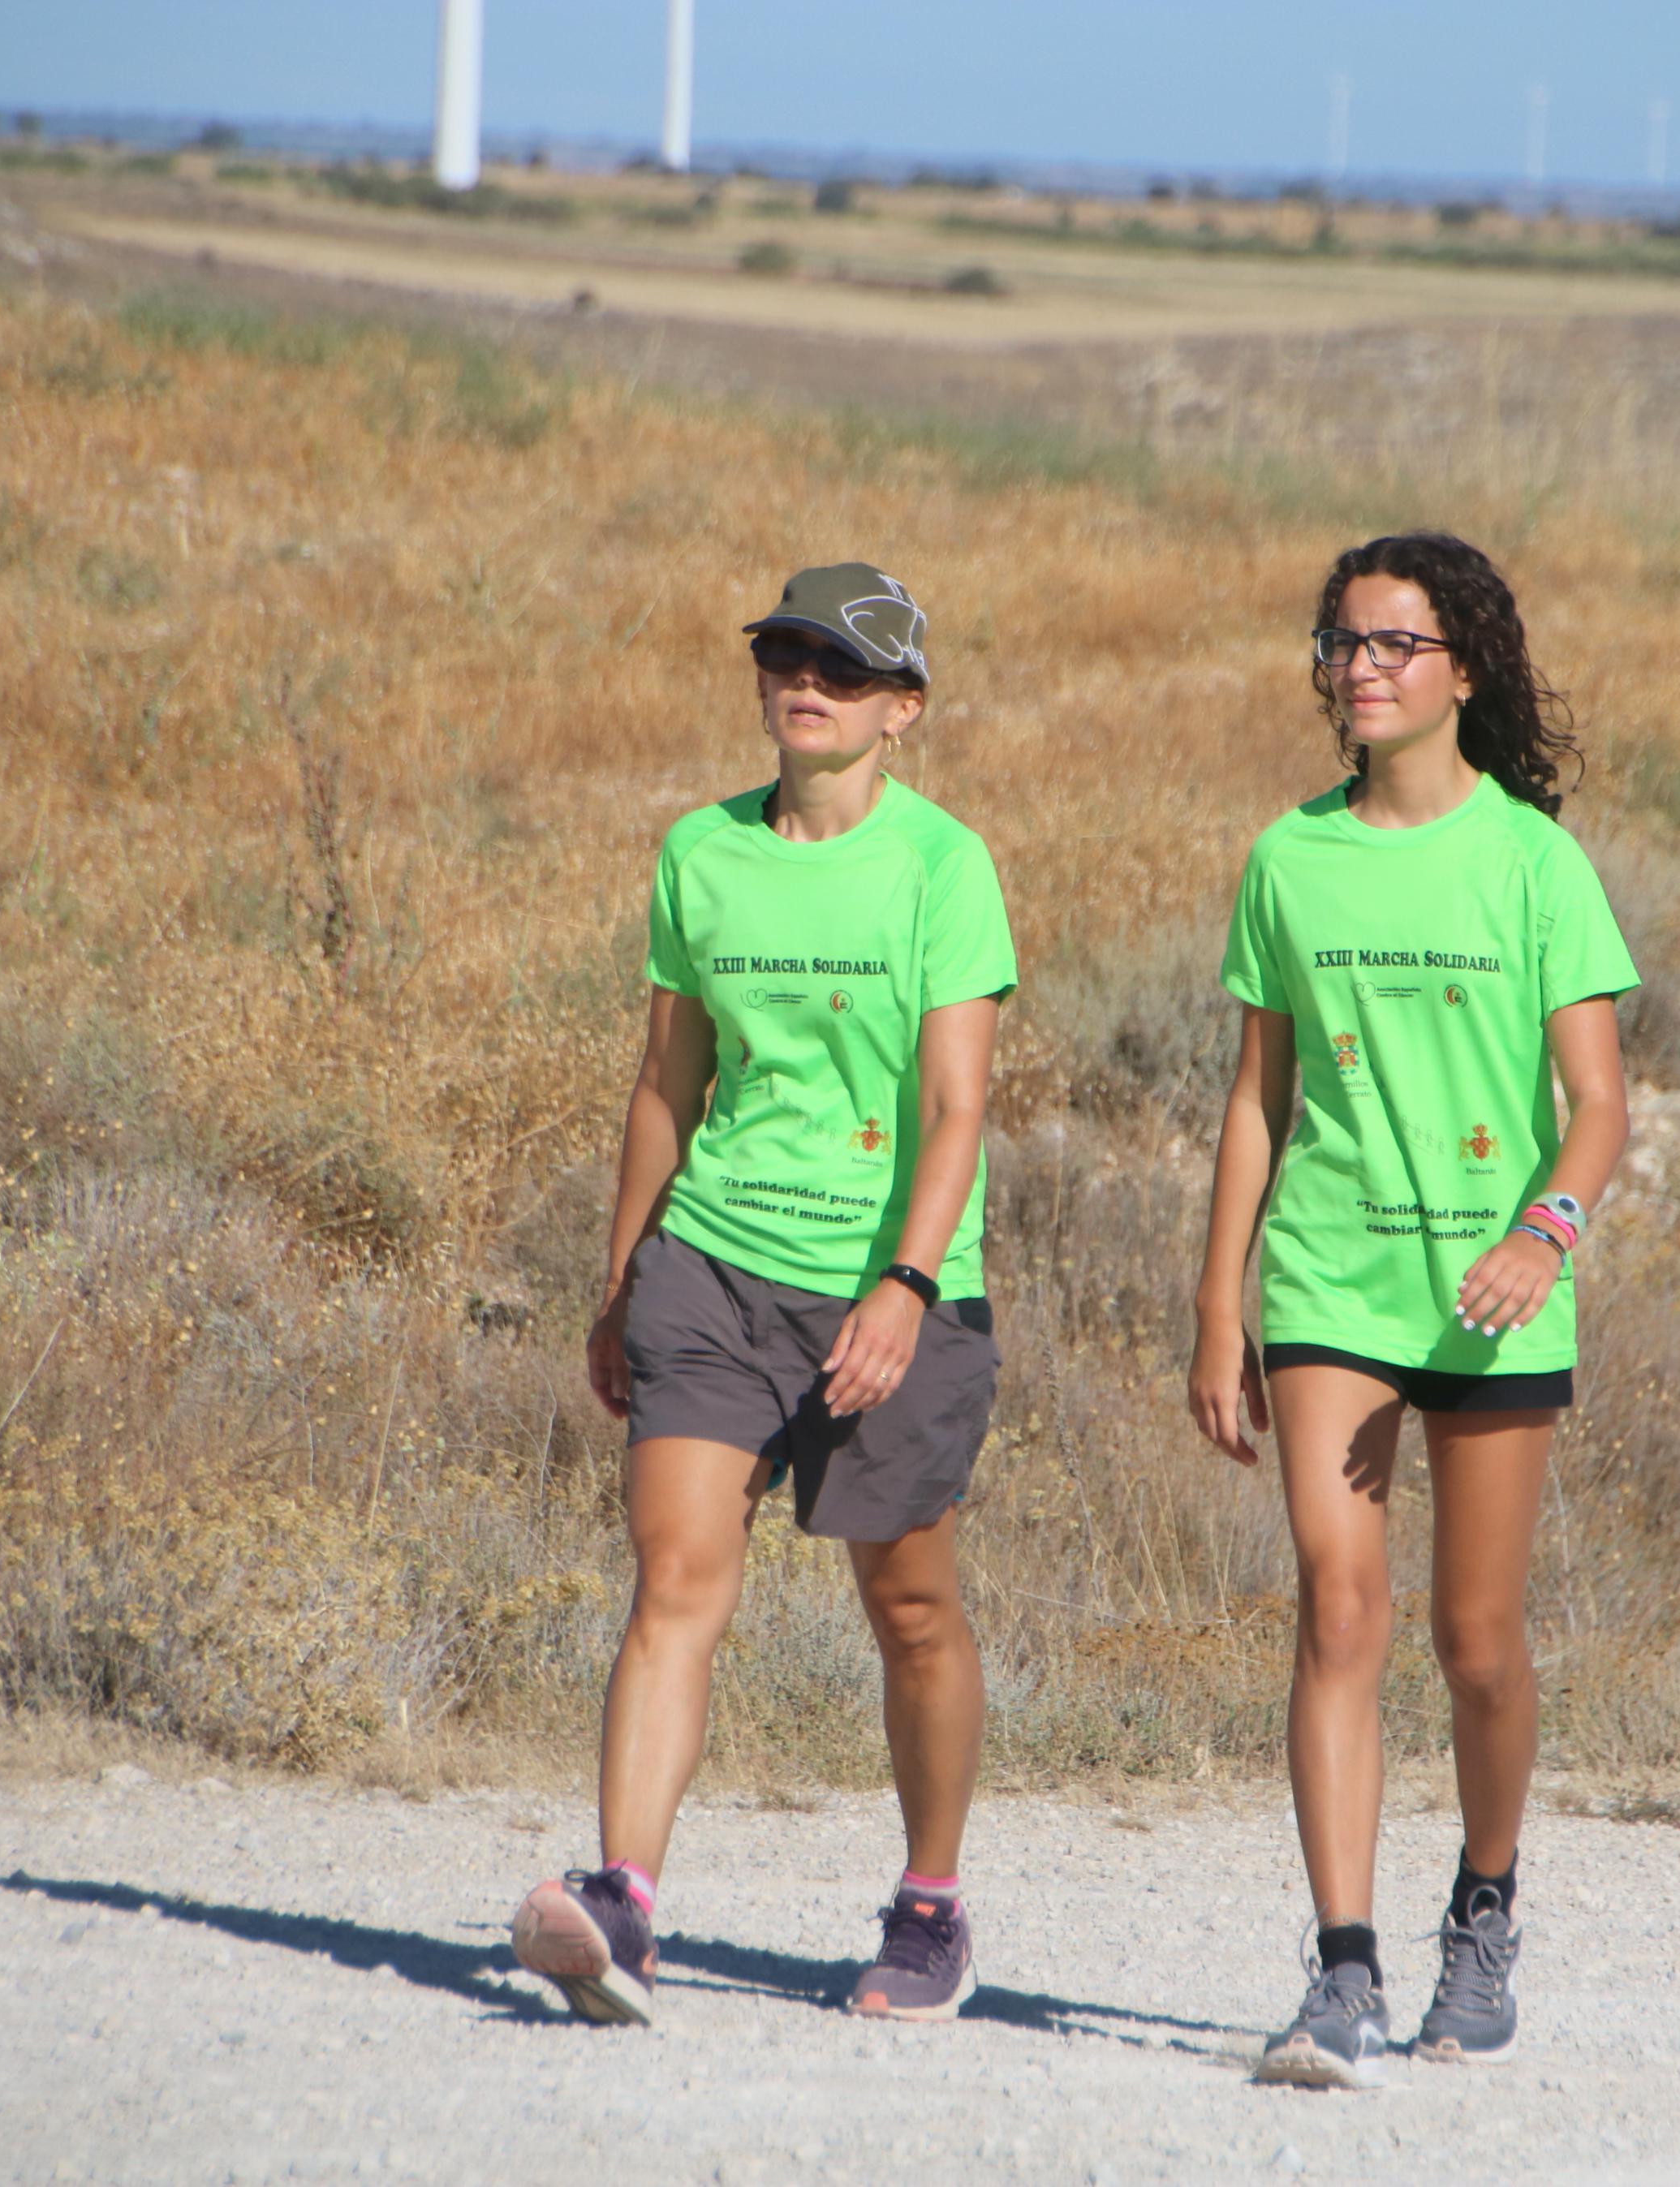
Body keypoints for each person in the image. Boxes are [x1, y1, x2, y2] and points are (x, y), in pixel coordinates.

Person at [510, 562, 1014, 2029]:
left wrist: (906, 1286)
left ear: (903, 710)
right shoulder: (701, 853)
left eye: (846, 669)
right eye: (788, 655)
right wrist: (621, 1280)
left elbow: (957, 1106)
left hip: (887, 1286)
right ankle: (624, 1903)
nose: (809, 682)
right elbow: (667, 1082)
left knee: (909, 1608)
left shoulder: (945, 865)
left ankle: (929, 1909)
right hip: (713, 1270)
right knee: (675, 1577)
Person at [1189, 532, 1635, 2090]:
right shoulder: (1288, 857)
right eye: (1340, 642)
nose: (1360, 666)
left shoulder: (1534, 862)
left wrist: (1545, 1236)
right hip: (1331, 1284)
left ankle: (1487, 1911)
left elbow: (1597, 1105)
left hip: (1500, 1301)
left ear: (1465, 669)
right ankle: (1341, 1971)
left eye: (1393, 642)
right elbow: (1258, 1096)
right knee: (1338, 1607)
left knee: (1478, 1640)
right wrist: (1214, 1297)